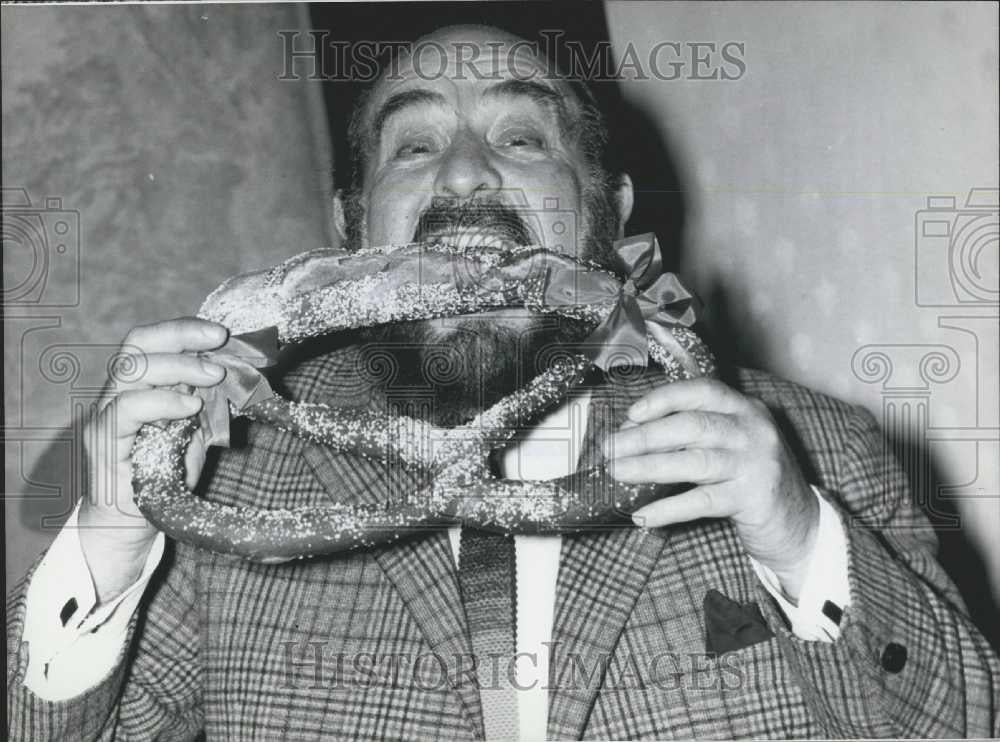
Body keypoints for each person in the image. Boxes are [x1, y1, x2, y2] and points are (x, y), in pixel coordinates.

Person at [7, 24, 998, 741]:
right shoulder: (226, 481)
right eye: (415, 144)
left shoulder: (807, 452)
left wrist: (792, 534)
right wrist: (106, 536)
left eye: (523, 138)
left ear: (602, 217)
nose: (468, 175)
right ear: (351, 228)